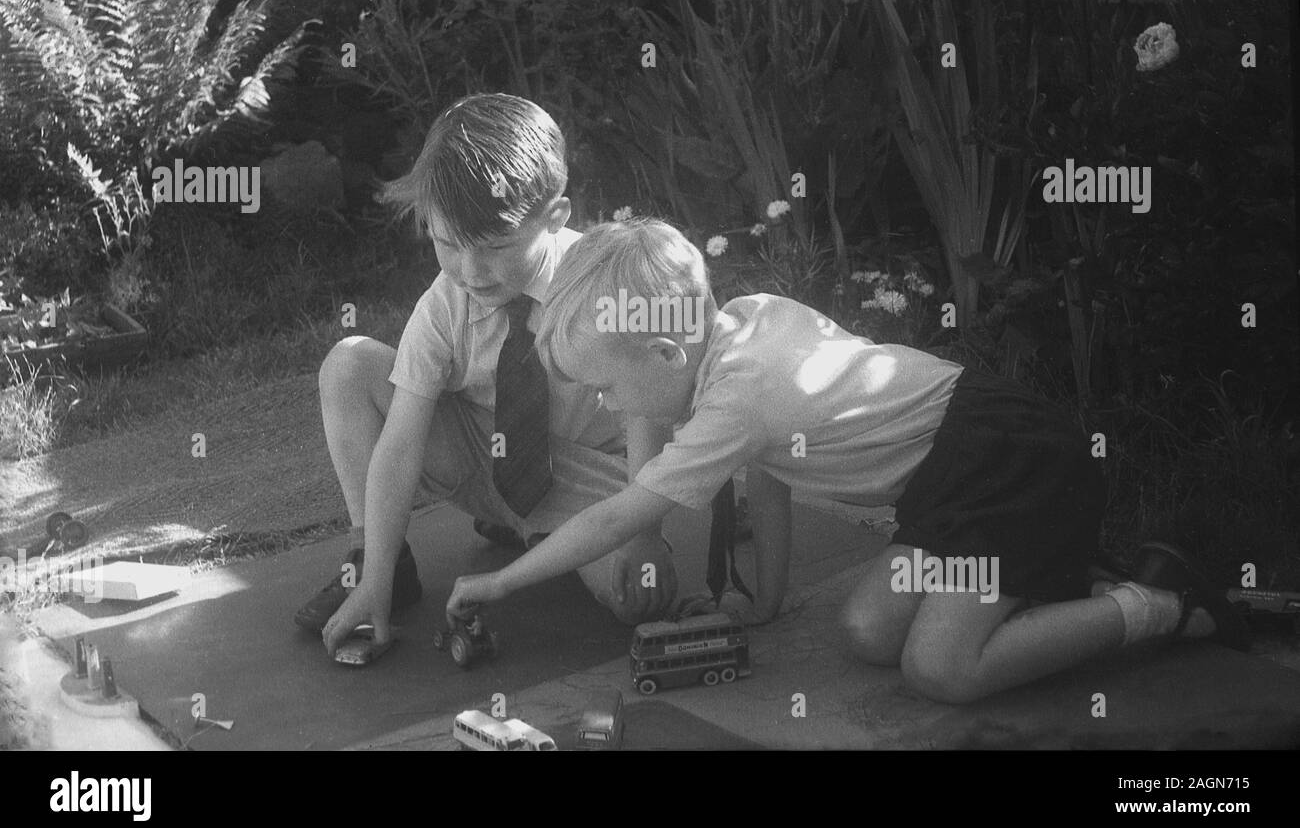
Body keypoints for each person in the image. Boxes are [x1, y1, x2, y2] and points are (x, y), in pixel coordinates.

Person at [445, 217, 1247, 703]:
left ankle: (1158, 602)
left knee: (943, 671)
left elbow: (621, 513)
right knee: (866, 630)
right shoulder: (741, 321)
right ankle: (1052, 580)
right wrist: (766, 599)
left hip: (1013, 466)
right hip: (959, 473)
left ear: (661, 348)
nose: (611, 410)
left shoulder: (739, 398)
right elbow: (772, 471)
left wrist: (502, 581)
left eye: (608, 390)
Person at [303, 96, 677, 660]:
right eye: (447, 244)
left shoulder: (602, 287)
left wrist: (642, 531)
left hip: (584, 480)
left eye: (496, 248)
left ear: (556, 218)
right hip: (480, 457)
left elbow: (646, 412)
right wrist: (374, 577)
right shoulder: (446, 303)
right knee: (349, 363)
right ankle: (380, 564)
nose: (471, 272)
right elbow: (401, 445)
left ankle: (539, 531)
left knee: (640, 598)